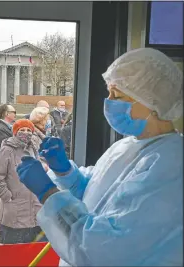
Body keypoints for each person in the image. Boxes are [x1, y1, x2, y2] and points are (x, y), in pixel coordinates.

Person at [16, 48, 183, 266]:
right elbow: (98, 191)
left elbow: (105, 250)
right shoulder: (126, 146)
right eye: (109, 93)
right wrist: (65, 171)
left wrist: (48, 193)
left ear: (152, 101)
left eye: (118, 95)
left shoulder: (172, 164)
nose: (109, 101)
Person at [0, 119, 44, 244]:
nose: (25, 133)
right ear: (15, 132)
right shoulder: (7, 150)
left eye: (28, 130)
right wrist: (8, 197)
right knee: (13, 254)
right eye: (22, 130)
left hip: (35, 210)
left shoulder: (34, 149)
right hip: (15, 211)